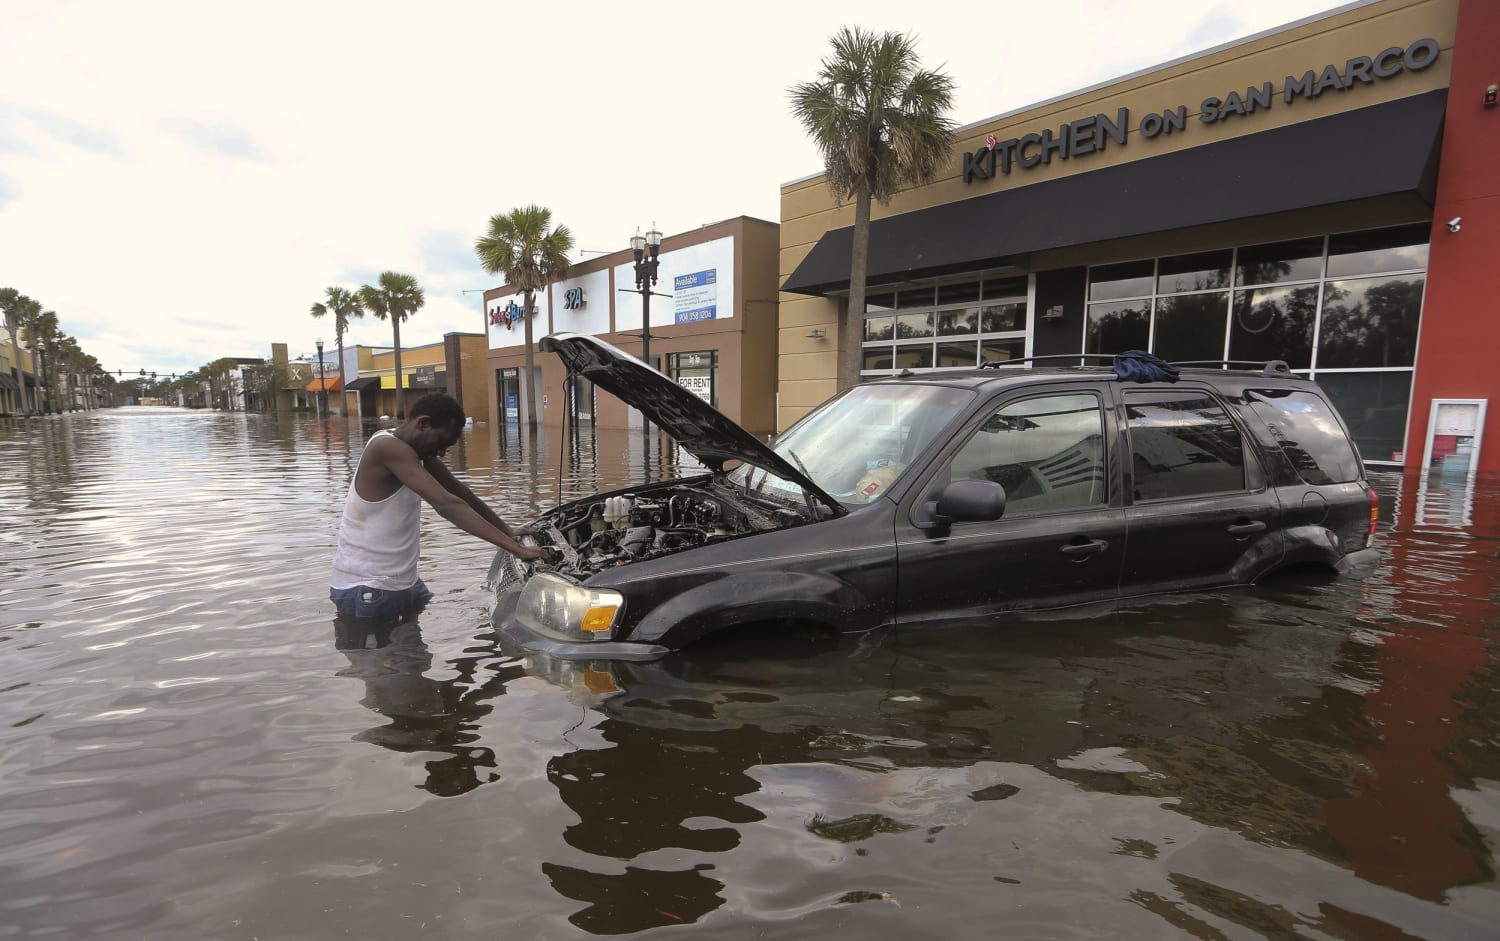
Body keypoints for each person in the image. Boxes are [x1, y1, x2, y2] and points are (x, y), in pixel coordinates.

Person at [330, 392, 554, 625]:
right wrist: (517, 550)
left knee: (416, 659)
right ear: (423, 424)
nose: (442, 453)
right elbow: (446, 504)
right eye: (442, 443)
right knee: (382, 659)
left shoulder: (413, 450)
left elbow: (459, 492)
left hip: (399, 582)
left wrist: (508, 530)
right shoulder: (388, 448)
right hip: (368, 588)